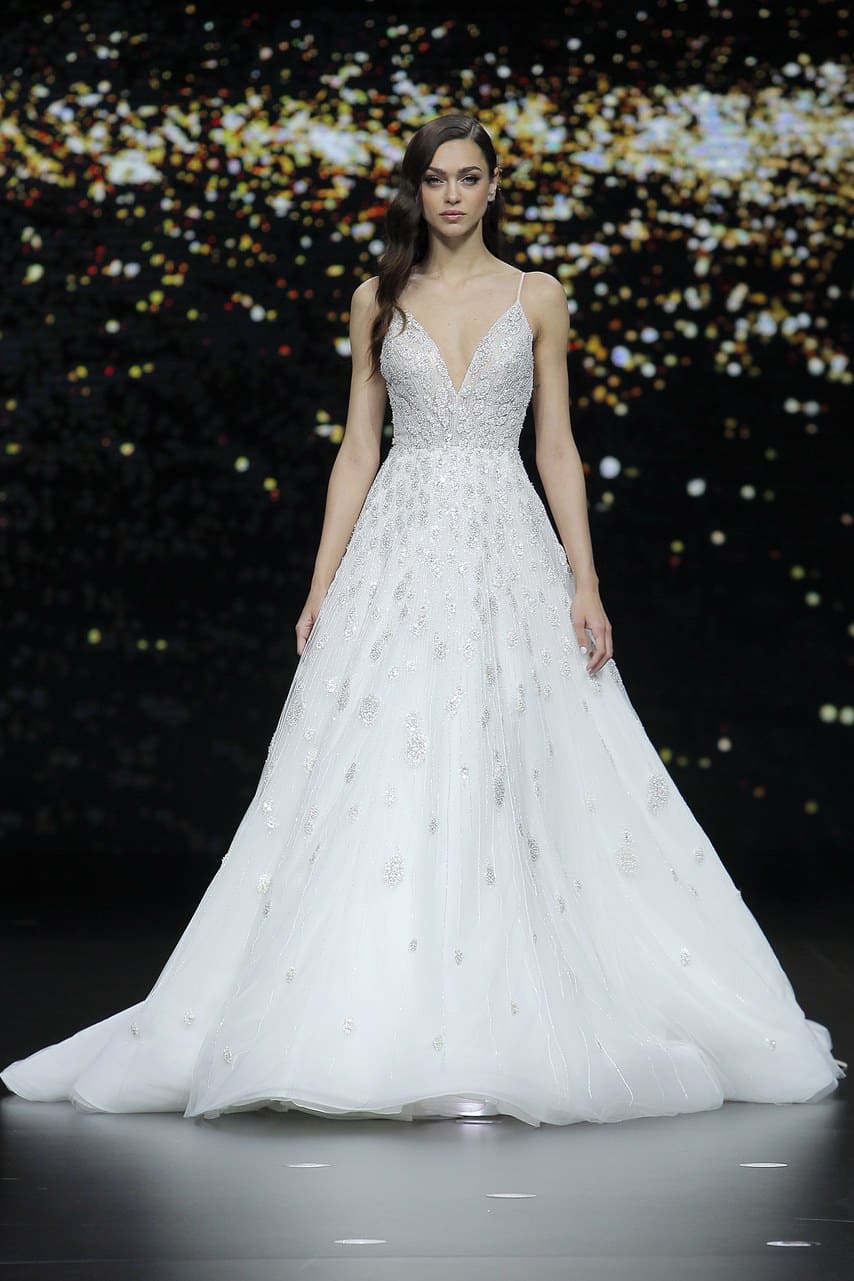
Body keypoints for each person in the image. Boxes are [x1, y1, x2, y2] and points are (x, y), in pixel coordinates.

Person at [2, 113, 844, 1127]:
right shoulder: (377, 298)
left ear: (493, 187)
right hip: (397, 553)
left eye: (468, 177)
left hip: (507, 549)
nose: (451, 194)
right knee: (386, 759)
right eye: (435, 179)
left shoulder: (537, 295)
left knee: (513, 762)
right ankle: (376, 1016)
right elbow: (357, 448)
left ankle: (498, 1022)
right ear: (416, 190)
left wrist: (585, 582)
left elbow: (557, 448)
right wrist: (321, 583)